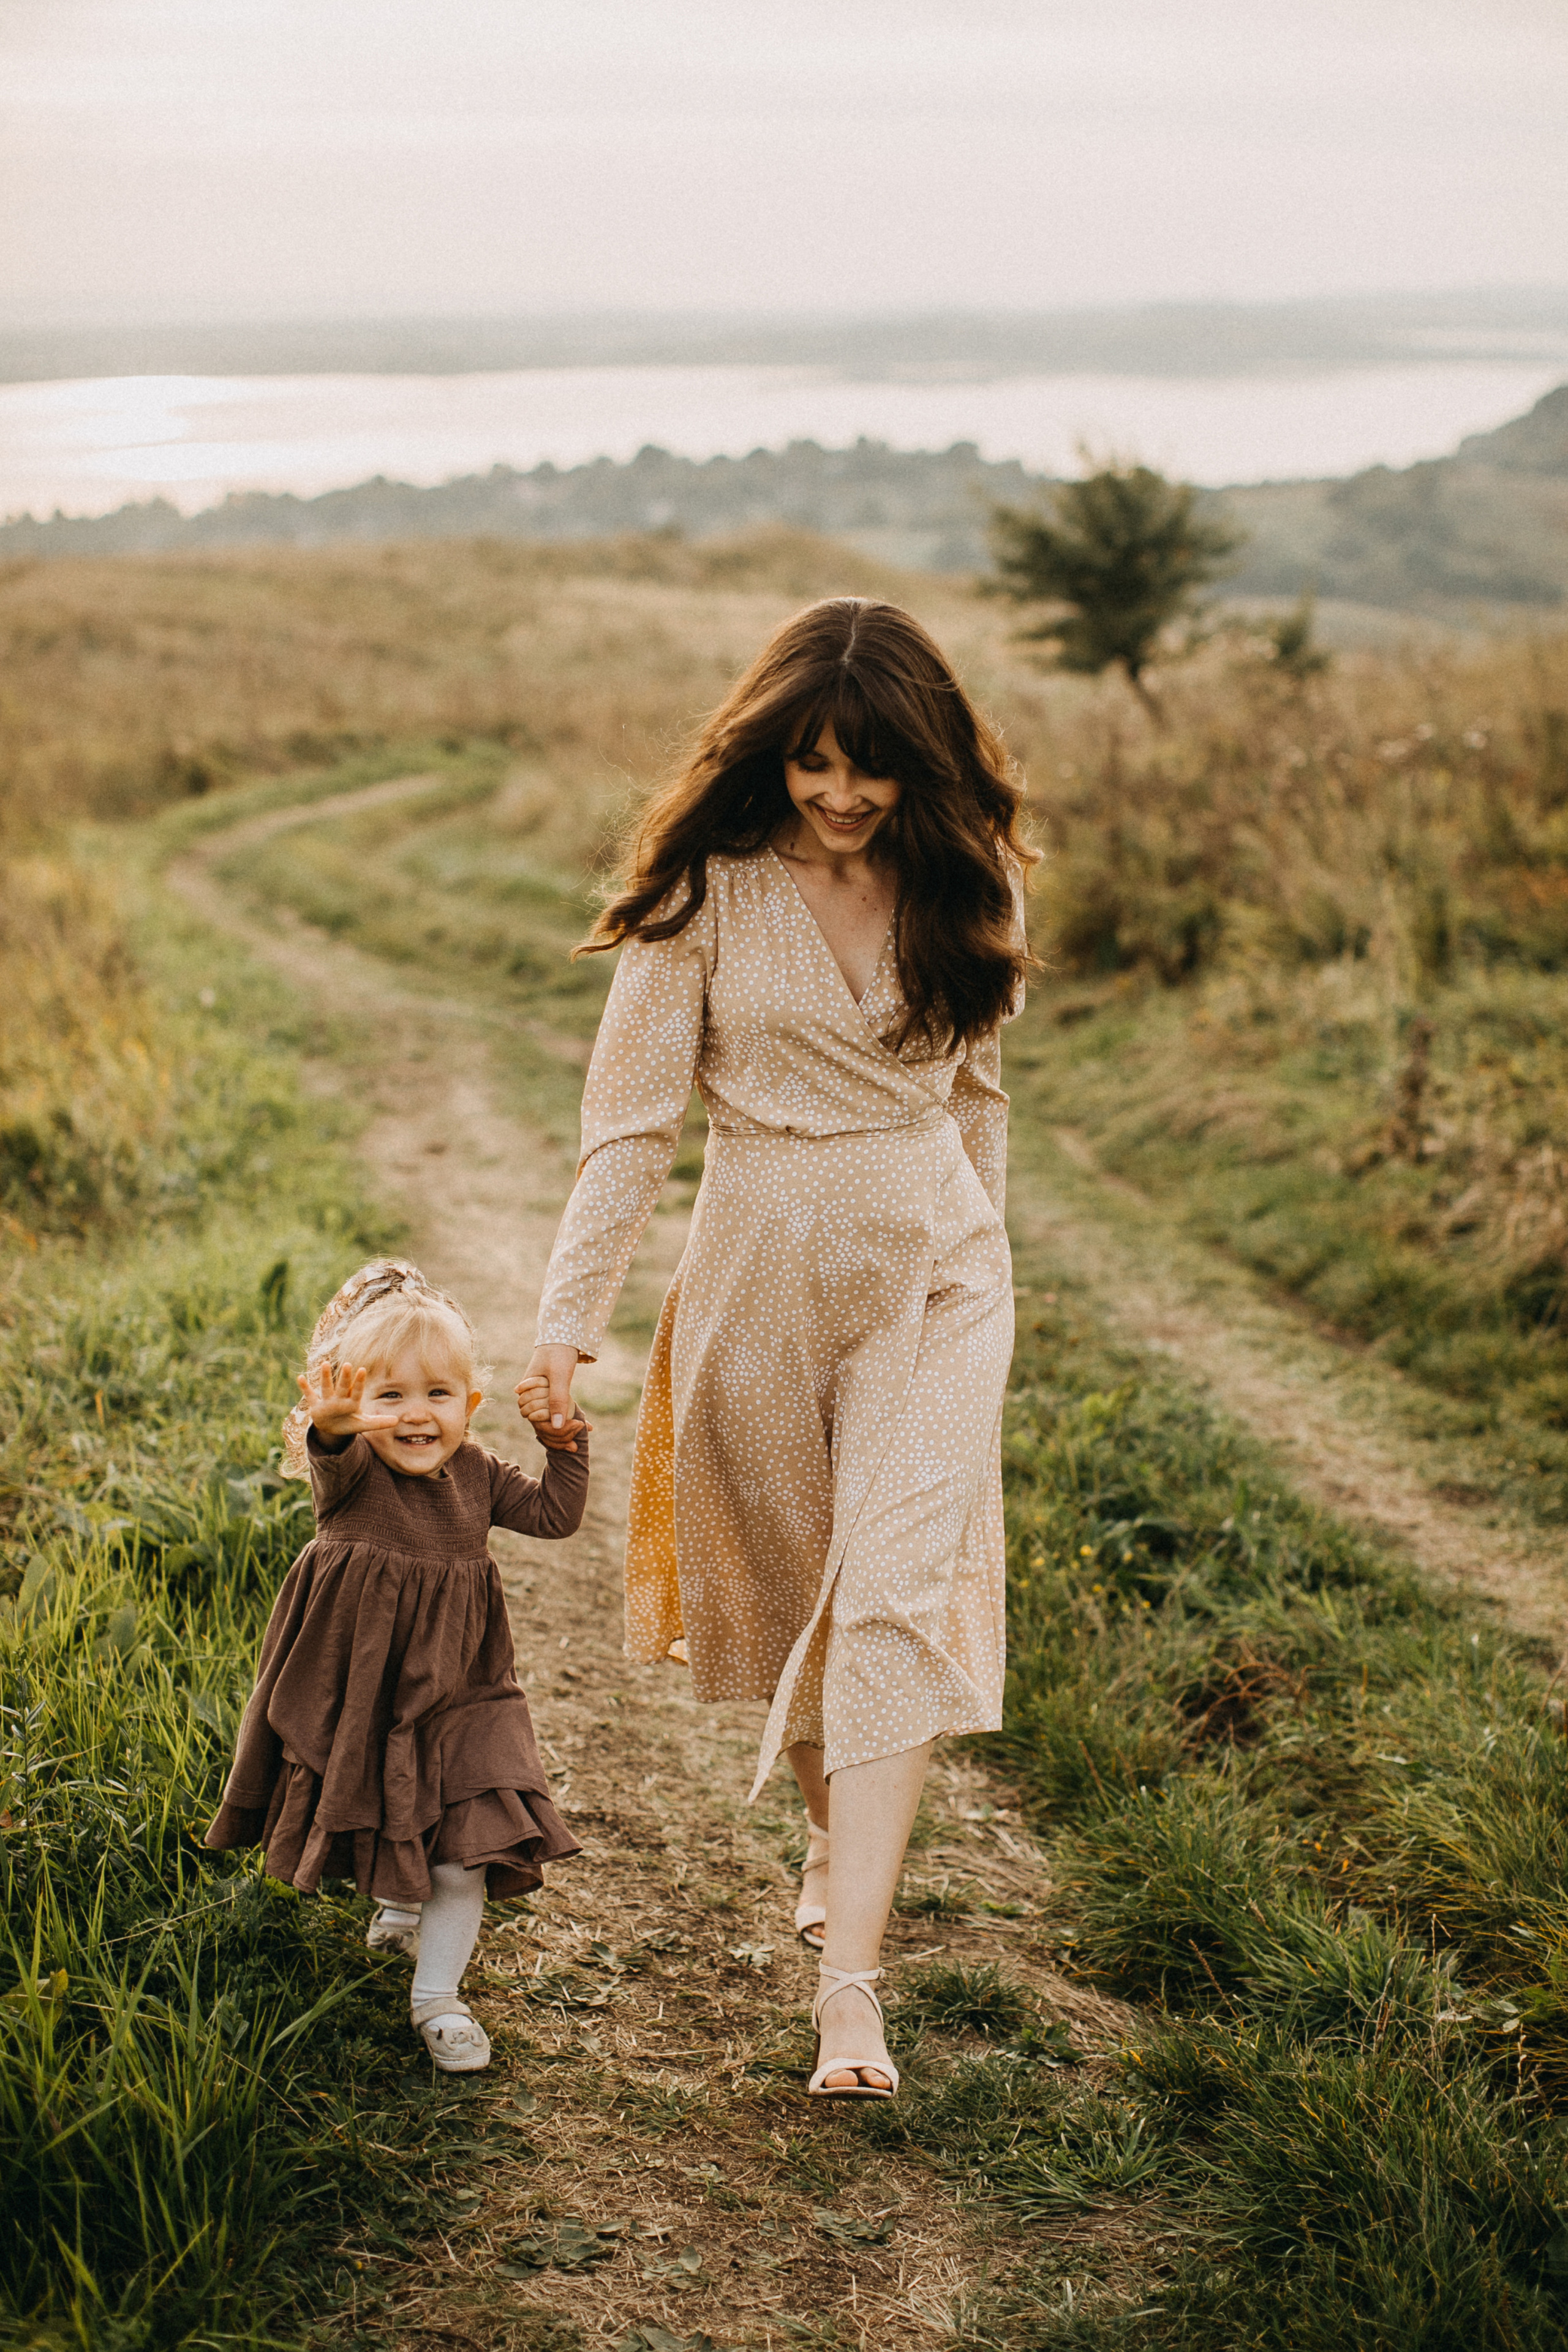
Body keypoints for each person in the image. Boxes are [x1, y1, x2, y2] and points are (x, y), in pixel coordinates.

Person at [521, 597, 1034, 2098]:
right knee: (793, 1602)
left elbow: (979, 1101)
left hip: (935, 1280)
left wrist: (990, 1277)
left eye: (871, 769)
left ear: (921, 762)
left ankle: (850, 1995)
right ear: (773, 751)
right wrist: (565, 1322)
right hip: (755, 1284)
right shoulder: (704, 892)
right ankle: (826, 1824)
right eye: (814, 764)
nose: (840, 796)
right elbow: (627, 1130)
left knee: (888, 1603)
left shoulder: (970, 876)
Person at [206, 1258, 590, 2075]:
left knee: (465, 1847)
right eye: (390, 1398)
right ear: (357, 1405)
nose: (416, 1415)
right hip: (362, 1686)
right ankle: (392, 1901)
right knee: (387, 1794)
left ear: (470, 1405)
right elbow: (330, 1446)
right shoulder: (352, 1476)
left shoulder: (481, 1474)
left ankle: (438, 2001)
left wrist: (564, 1443)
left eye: (438, 1396)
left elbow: (557, 1517)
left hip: (467, 1689)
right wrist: (336, 1425)